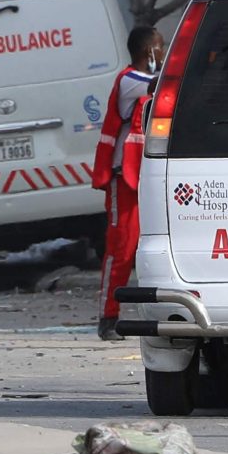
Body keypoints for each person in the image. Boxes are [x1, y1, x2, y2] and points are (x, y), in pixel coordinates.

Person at [93, 24, 164, 340]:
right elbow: (159, 85)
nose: (163, 53)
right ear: (149, 51)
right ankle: (108, 318)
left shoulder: (140, 81)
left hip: (150, 177)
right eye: (160, 47)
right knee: (120, 250)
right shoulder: (130, 81)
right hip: (126, 179)